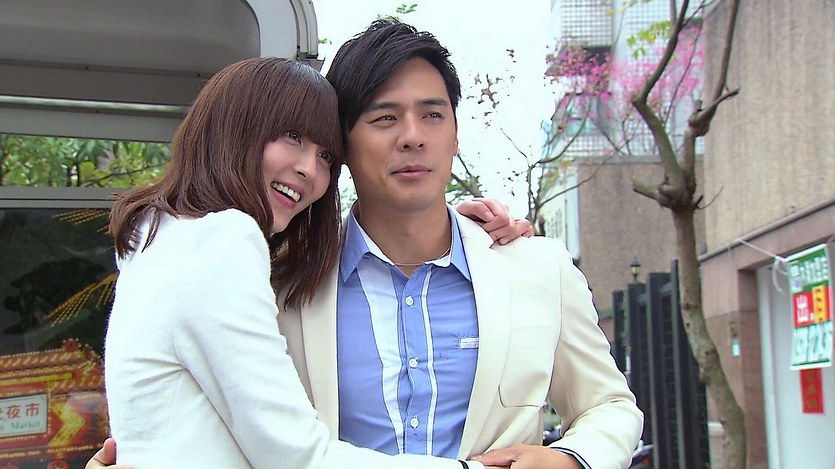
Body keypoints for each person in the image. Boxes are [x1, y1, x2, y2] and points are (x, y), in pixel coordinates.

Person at [91, 18, 642, 469]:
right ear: (346, 146)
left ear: (455, 133)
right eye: (384, 118)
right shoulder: (276, 276)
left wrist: (572, 459)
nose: (413, 136)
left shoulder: (536, 268)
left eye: (433, 114)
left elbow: (611, 405)